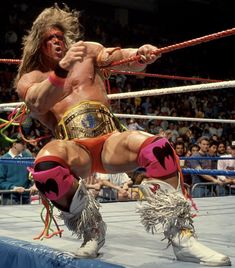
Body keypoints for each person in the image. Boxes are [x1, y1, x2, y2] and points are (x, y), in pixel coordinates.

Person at [15, 4, 231, 266]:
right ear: (39, 42)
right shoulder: (31, 77)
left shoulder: (87, 52)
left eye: (60, 37)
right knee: (46, 167)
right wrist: (61, 69)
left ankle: (182, 237)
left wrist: (139, 55)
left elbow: (116, 57)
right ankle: (91, 230)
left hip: (110, 141)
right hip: (74, 147)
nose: (58, 42)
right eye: (50, 38)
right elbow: (37, 103)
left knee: (158, 148)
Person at [0, 134, 35, 205]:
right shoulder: (3, 160)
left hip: (26, 197)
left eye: (25, 143)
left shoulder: (28, 157)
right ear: (14, 144)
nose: (25, 145)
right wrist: (14, 187)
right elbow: (1, 181)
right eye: (22, 143)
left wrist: (34, 185)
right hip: (10, 197)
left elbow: (34, 174)